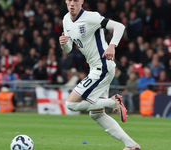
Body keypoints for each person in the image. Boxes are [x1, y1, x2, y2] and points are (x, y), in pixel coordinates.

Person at [59, 1, 140, 150]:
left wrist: (112, 45)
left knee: (70, 104)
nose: (72, 3)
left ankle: (113, 102)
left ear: (81, 1)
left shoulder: (91, 17)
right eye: (69, 0)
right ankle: (131, 145)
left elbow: (119, 26)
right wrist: (64, 43)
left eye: (76, 0)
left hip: (102, 67)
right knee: (96, 114)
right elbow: (69, 48)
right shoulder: (66, 20)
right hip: (97, 68)